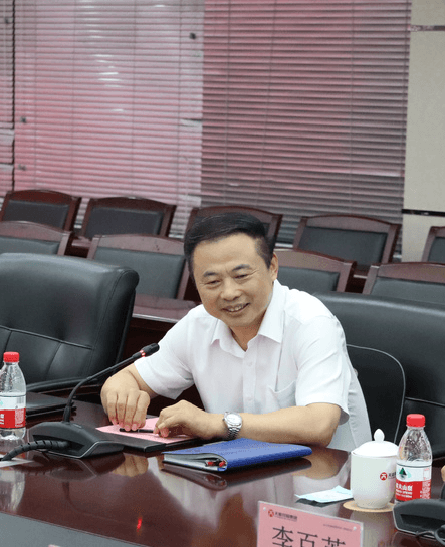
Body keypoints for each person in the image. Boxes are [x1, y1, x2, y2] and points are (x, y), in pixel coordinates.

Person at [101, 212, 371, 451]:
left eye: (241, 276)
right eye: (212, 281)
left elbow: (320, 425)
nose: (229, 293)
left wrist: (218, 424)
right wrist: (120, 393)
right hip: (240, 476)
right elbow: (126, 379)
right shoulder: (197, 324)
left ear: (272, 266)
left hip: (327, 481)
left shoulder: (311, 322)